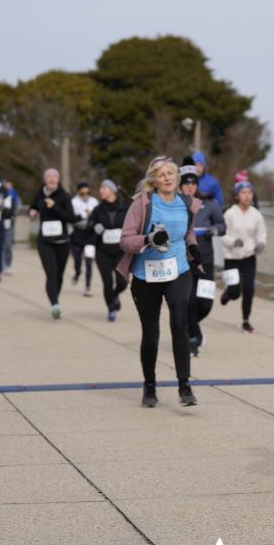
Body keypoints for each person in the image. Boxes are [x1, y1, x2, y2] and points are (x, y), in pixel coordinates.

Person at [119, 156, 204, 408]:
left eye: (170, 173)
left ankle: (184, 386)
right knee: (151, 333)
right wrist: (147, 240)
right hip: (146, 275)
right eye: (161, 174)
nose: (167, 178)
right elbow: (125, 240)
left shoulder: (186, 203)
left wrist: (192, 246)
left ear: (177, 177)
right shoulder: (142, 205)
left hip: (178, 271)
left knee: (180, 324)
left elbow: (187, 231)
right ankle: (149, 386)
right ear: (153, 180)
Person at [180, 159, 226, 355]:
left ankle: (188, 326)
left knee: (205, 304)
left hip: (205, 261)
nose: (190, 187)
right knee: (189, 301)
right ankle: (192, 338)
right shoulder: (176, 206)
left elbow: (222, 226)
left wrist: (212, 230)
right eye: (186, 183)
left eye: (193, 183)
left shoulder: (209, 204)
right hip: (184, 262)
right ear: (180, 186)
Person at [29, 168, 76, 319]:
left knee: (59, 275)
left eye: (54, 176)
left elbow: (71, 217)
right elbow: (34, 206)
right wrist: (32, 212)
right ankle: (55, 304)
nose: (51, 179)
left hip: (62, 242)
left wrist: (54, 207)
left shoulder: (64, 196)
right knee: (51, 273)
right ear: (44, 180)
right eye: (48, 176)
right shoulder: (39, 194)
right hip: (45, 242)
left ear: (58, 179)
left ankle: (55, 298)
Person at [220, 180, 267, 333]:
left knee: (248, 289)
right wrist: (233, 241)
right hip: (231, 257)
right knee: (235, 292)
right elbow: (223, 234)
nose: (247, 196)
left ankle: (246, 321)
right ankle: (228, 293)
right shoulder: (230, 213)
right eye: (243, 193)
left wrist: (261, 243)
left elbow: (261, 233)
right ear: (237, 196)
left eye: (249, 193)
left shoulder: (256, 214)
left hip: (249, 256)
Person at [90, 179, 129, 322]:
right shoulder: (98, 209)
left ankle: (115, 295)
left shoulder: (125, 207)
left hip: (121, 251)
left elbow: (134, 222)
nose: (101, 190)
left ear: (112, 190)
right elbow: (90, 224)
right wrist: (94, 226)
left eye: (104, 188)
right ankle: (111, 308)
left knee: (122, 282)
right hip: (103, 251)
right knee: (107, 282)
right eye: (101, 188)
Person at [70, 181, 99, 297]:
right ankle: (77, 273)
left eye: (88, 193)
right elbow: (71, 218)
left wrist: (92, 216)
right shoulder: (73, 202)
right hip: (77, 234)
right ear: (78, 193)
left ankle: (87, 287)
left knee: (89, 262)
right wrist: (83, 215)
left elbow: (98, 217)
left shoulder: (94, 202)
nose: (86, 195)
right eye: (83, 193)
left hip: (90, 235)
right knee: (77, 259)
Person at [1, 178, 19, 275]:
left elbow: (16, 207)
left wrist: (12, 216)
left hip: (9, 224)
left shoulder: (12, 195)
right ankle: (0, 265)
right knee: (0, 246)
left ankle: (7, 265)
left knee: (8, 245)